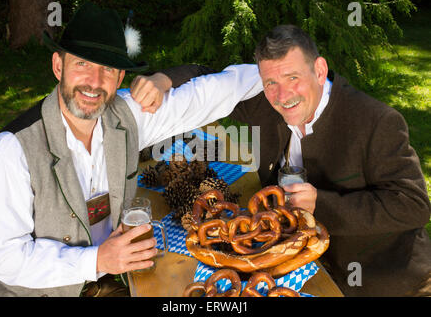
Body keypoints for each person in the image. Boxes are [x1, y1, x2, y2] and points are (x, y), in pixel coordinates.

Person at [0, 2, 263, 297]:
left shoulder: (127, 116)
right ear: (58, 66)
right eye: (82, 64)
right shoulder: (12, 150)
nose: (94, 82)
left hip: (110, 281)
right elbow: (4, 256)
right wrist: (97, 259)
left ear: (118, 78)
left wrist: (276, 75)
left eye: (107, 69)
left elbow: (208, 95)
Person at [130, 25, 431, 296]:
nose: (283, 95)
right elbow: (206, 78)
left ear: (320, 70)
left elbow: (414, 206)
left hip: (384, 281)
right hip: (304, 269)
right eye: (270, 81)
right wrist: (162, 79)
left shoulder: (376, 122)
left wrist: (321, 205)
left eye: (293, 78)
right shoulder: (264, 103)